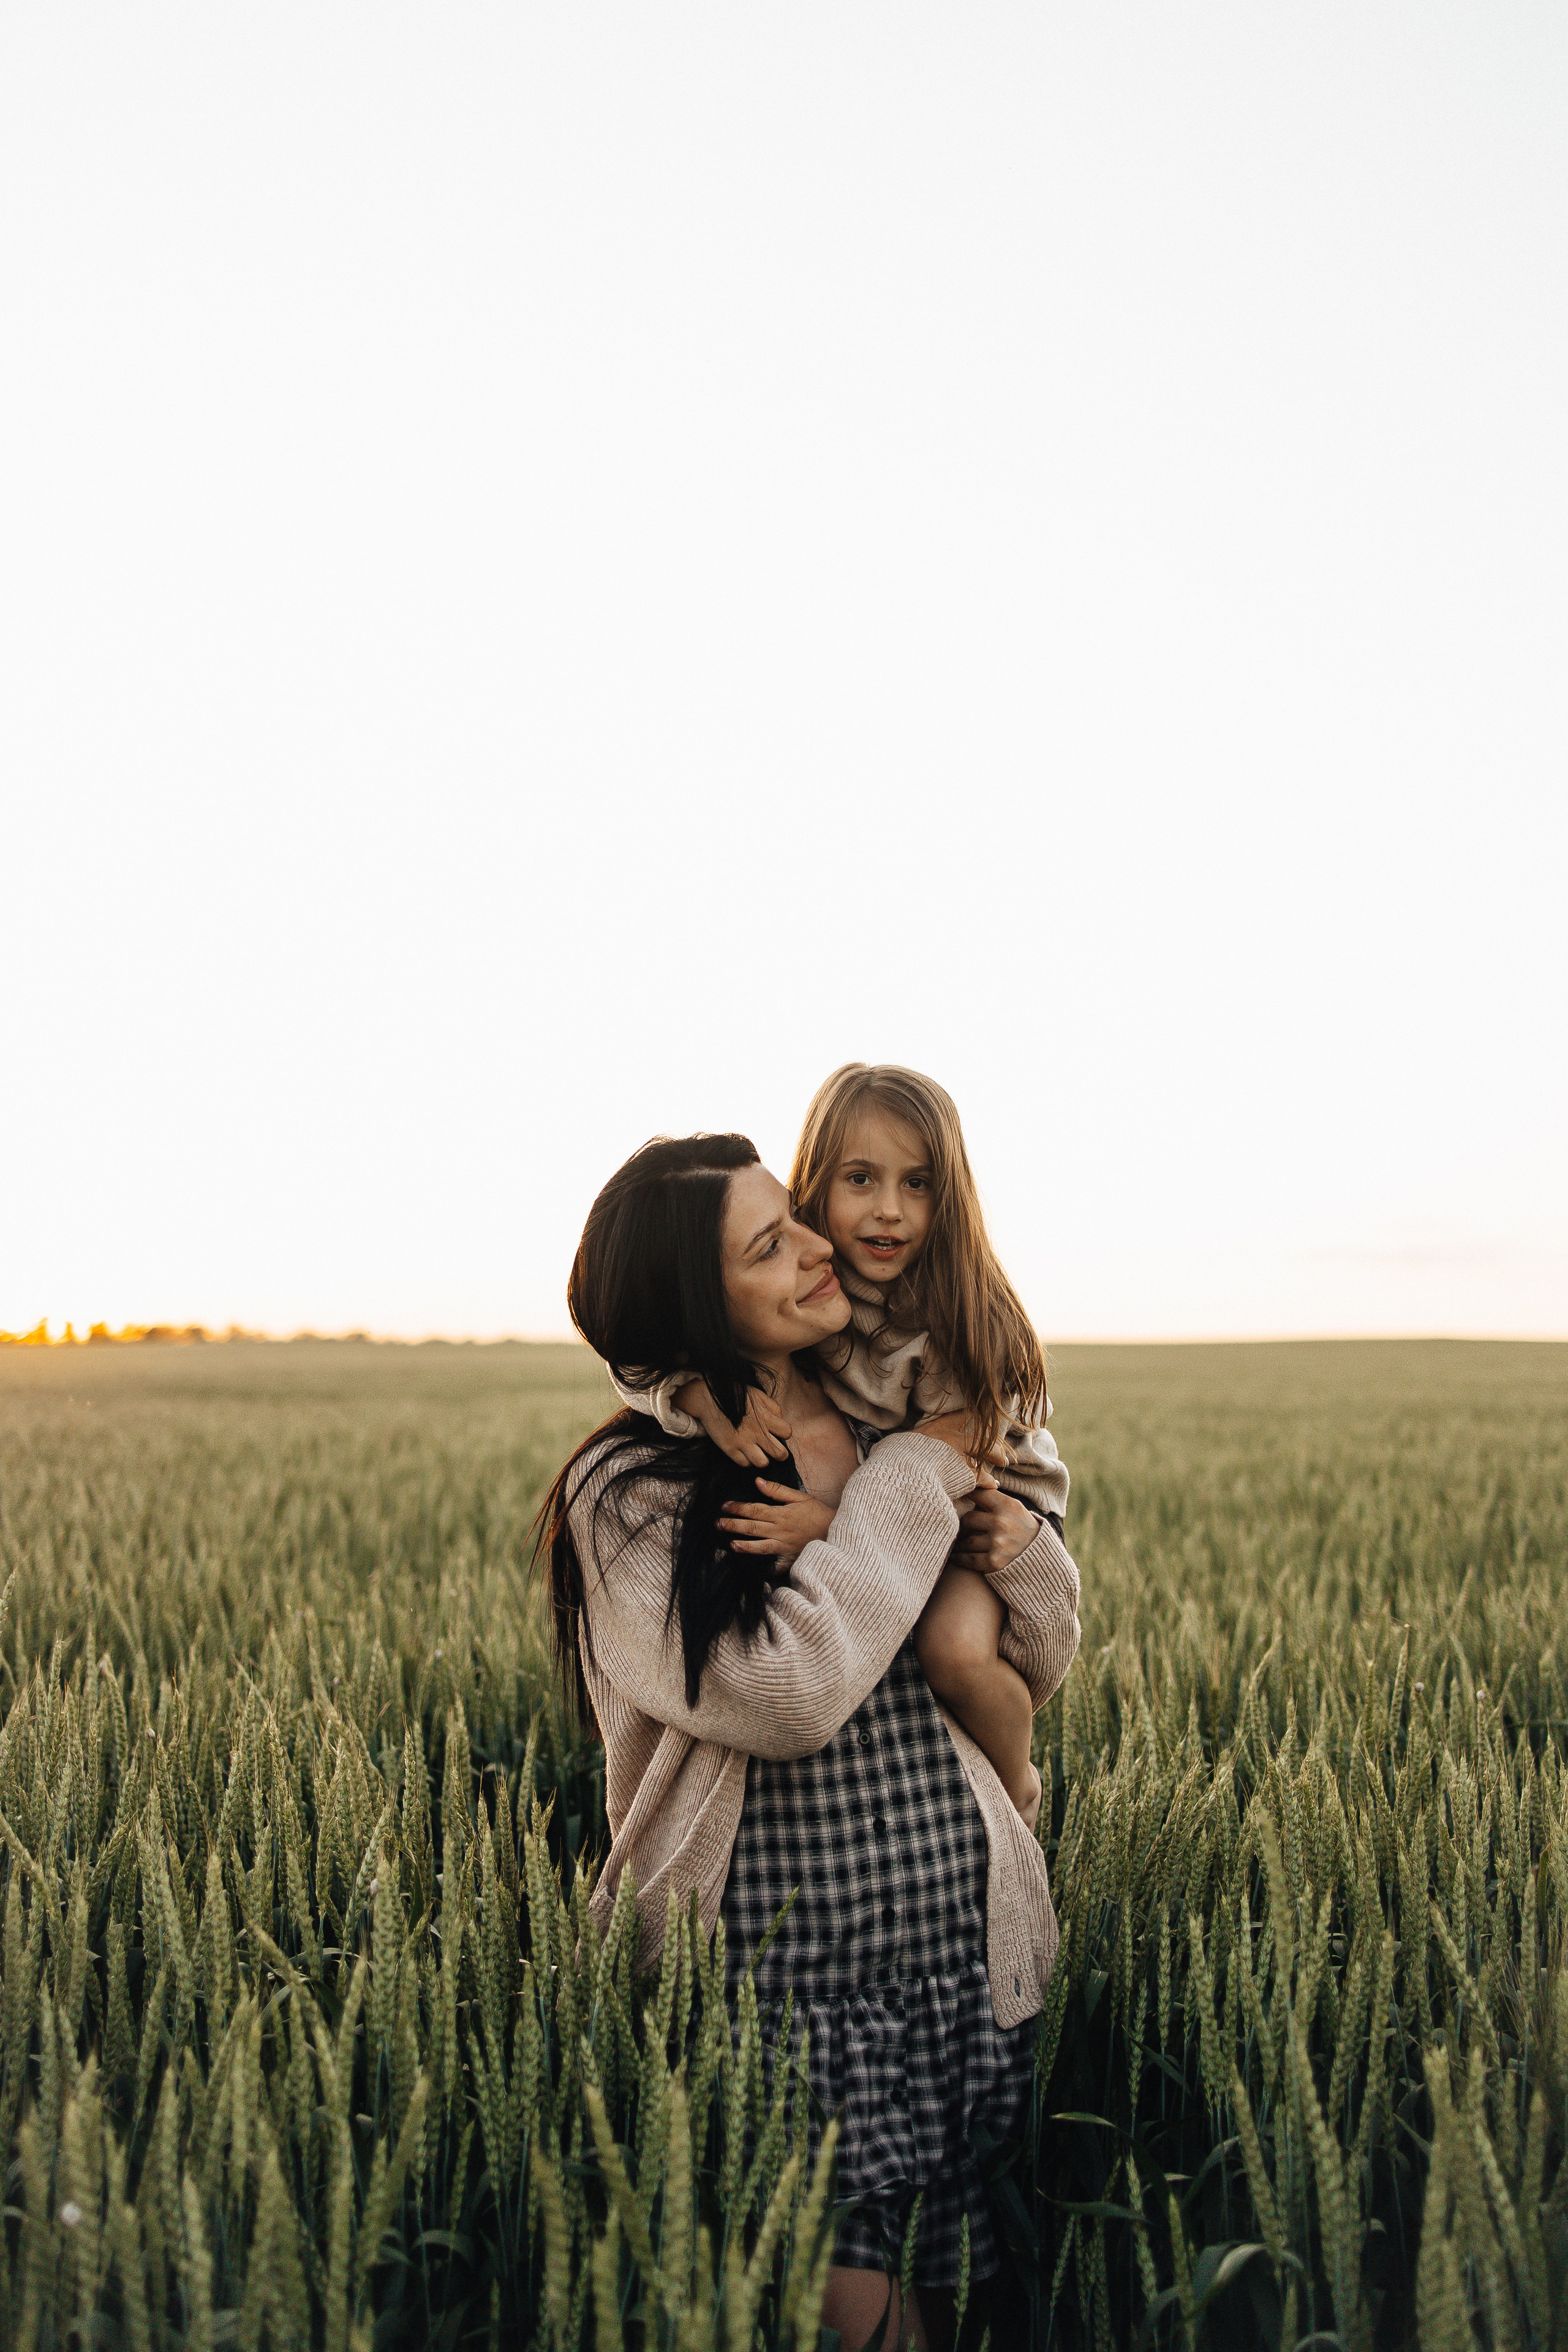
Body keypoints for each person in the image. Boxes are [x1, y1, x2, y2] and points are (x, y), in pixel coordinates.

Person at [536, 1131, 1082, 2350]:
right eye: (766, 1247)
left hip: (960, 1964)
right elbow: (785, 1693)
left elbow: (1038, 1650)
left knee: (960, 2313)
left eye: (792, 1216)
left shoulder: (892, 1408)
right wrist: (912, 1483)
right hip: (772, 1996)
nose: (816, 1246)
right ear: (693, 1302)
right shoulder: (629, 1490)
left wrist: (1016, 1548)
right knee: (865, 2327)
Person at [614, 1063, 1067, 1829]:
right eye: (860, 1179)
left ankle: (1016, 1783)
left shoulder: (958, 1310)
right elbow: (632, 1351)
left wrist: (831, 1526)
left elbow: (957, 1470)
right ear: (815, 1184)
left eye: (918, 1184)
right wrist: (694, 1395)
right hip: (911, 1501)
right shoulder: (824, 1282)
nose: (889, 1211)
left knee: (954, 1652)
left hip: (993, 1502)